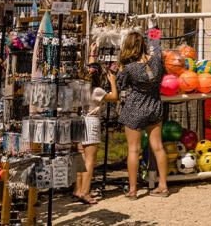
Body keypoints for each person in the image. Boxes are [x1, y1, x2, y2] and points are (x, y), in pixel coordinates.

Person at [111, 30, 170, 199]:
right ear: (143, 45)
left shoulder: (129, 68)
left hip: (135, 108)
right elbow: (157, 46)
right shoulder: (157, 61)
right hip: (154, 106)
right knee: (158, 147)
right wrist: (154, 28)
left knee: (133, 150)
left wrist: (119, 70)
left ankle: (132, 190)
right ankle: (163, 186)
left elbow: (121, 85)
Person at [73, 49, 119, 205]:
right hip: (91, 122)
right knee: (90, 160)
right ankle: (85, 192)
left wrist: (92, 53)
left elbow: (91, 68)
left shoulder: (80, 88)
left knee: (81, 157)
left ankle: (78, 189)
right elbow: (114, 97)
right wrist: (112, 81)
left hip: (79, 121)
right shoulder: (97, 91)